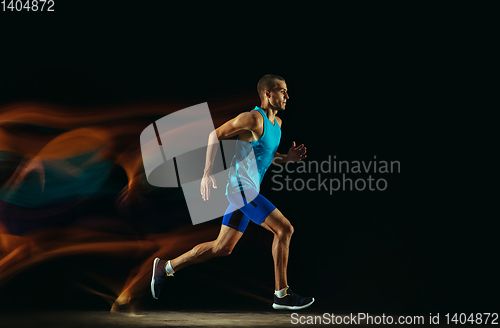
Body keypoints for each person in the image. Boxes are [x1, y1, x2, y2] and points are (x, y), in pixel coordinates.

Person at [151, 74, 314, 310]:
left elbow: (266, 158)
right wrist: (207, 172)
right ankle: (282, 294)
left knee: (222, 247)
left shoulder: (277, 125)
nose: (287, 96)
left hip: (248, 191)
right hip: (240, 189)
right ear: (267, 94)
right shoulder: (251, 119)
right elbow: (214, 135)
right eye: (281, 91)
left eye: (287, 91)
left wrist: (287, 158)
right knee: (284, 229)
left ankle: (166, 267)